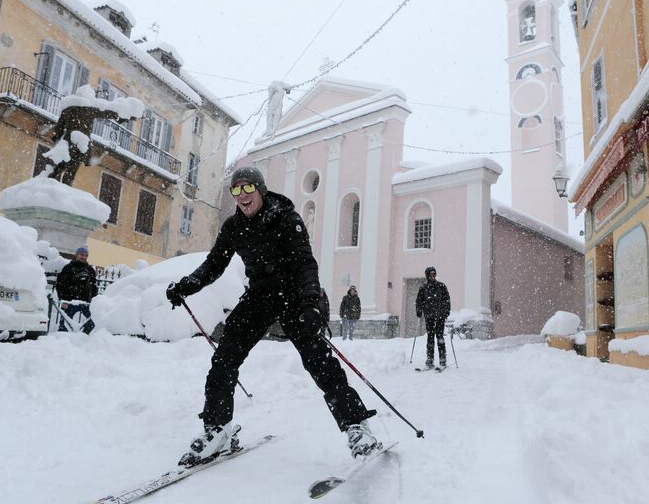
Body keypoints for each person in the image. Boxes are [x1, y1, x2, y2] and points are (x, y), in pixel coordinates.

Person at [166, 166, 381, 467]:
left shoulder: (286, 219)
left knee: (319, 361)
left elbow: (306, 264)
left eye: (248, 188)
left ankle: (357, 426)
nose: (242, 195)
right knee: (224, 357)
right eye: (236, 190)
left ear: (261, 190)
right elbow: (214, 265)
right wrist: (186, 285)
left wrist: (311, 305)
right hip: (259, 297)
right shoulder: (233, 228)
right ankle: (217, 429)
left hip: (294, 296)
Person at [55, 245, 97, 333]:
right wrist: (63, 300)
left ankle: (81, 338)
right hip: (70, 301)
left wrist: (93, 300)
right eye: (82, 254)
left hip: (85, 302)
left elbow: (94, 286)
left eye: (86, 255)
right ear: (76, 255)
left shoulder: (90, 270)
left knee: (93, 322)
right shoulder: (68, 268)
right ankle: (62, 342)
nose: (84, 257)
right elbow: (60, 285)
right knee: (64, 326)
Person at [415, 266, 451, 369]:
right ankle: (430, 359)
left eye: (434, 274)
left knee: (439, 337)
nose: (433, 276)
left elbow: (447, 299)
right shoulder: (423, 288)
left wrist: (446, 311)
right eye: (431, 274)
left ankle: (442, 359)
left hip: (440, 316)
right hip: (429, 316)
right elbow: (419, 301)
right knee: (430, 338)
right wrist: (419, 310)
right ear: (427, 276)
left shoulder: (441, 286)